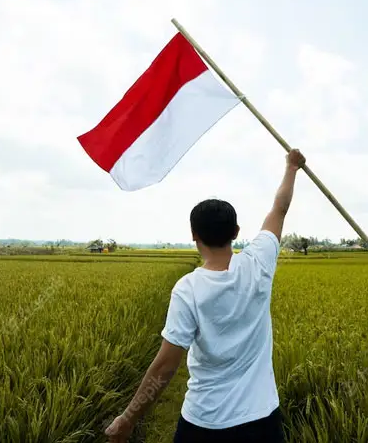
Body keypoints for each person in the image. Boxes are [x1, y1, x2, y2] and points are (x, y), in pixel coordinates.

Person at [105, 149, 306, 443]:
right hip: (261, 419)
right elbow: (279, 209)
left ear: (193, 235)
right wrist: (291, 168)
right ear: (236, 231)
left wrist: (128, 418)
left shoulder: (188, 290)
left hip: (204, 422)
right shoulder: (258, 263)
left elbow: (165, 367)